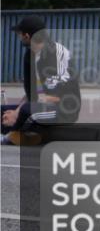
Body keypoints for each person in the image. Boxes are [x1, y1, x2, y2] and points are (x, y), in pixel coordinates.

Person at [1, 16, 81, 145]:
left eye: (19, 34)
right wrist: (15, 111)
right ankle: (22, 136)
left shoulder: (57, 54)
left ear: (26, 36)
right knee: (3, 111)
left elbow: (58, 96)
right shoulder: (29, 55)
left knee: (26, 111)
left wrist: (18, 114)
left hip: (63, 110)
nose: (19, 37)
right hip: (41, 105)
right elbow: (31, 93)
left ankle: (9, 137)